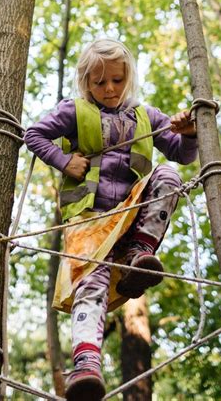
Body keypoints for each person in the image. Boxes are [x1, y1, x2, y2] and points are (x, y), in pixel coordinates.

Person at [24, 38, 198, 401]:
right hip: (89, 217)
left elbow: (181, 154)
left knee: (169, 177)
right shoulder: (74, 111)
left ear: (128, 78)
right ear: (86, 82)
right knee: (92, 282)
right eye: (99, 82)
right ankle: (86, 365)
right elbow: (34, 134)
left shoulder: (145, 115)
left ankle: (139, 254)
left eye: (117, 80)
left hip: (131, 216)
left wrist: (190, 131)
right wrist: (63, 159)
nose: (109, 89)